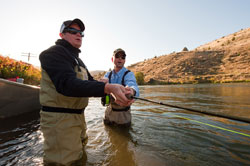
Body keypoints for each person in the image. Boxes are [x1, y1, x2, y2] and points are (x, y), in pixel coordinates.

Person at [39, 18, 133, 166]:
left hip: (78, 118)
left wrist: (111, 87)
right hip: (59, 121)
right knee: (65, 162)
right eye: (72, 31)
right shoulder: (52, 53)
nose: (78, 34)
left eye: (81, 32)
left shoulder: (79, 61)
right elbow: (67, 85)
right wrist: (107, 88)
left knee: (78, 158)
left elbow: (89, 83)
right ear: (61, 34)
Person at [103, 48, 140, 127]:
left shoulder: (129, 74)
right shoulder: (107, 75)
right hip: (108, 113)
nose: (120, 58)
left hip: (123, 117)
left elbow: (132, 84)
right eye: (117, 56)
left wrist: (132, 91)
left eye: (123, 57)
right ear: (112, 59)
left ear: (124, 60)